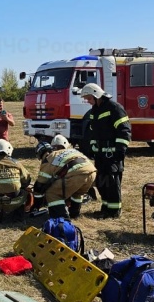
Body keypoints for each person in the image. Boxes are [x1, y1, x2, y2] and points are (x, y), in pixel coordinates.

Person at [80, 82, 131, 219]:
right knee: (102, 182)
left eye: (89, 98)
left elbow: (124, 130)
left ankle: (114, 211)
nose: (88, 102)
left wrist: (120, 149)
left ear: (97, 95)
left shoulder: (114, 108)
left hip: (113, 153)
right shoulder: (94, 111)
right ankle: (106, 207)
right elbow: (92, 131)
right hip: (100, 154)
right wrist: (91, 147)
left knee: (112, 182)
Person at [32, 135, 97, 219]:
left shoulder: (48, 158)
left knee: (52, 193)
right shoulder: (70, 151)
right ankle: (74, 214)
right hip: (92, 172)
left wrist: (36, 205)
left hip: (76, 174)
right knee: (77, 193)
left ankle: (61, 217)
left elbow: (40, 185)